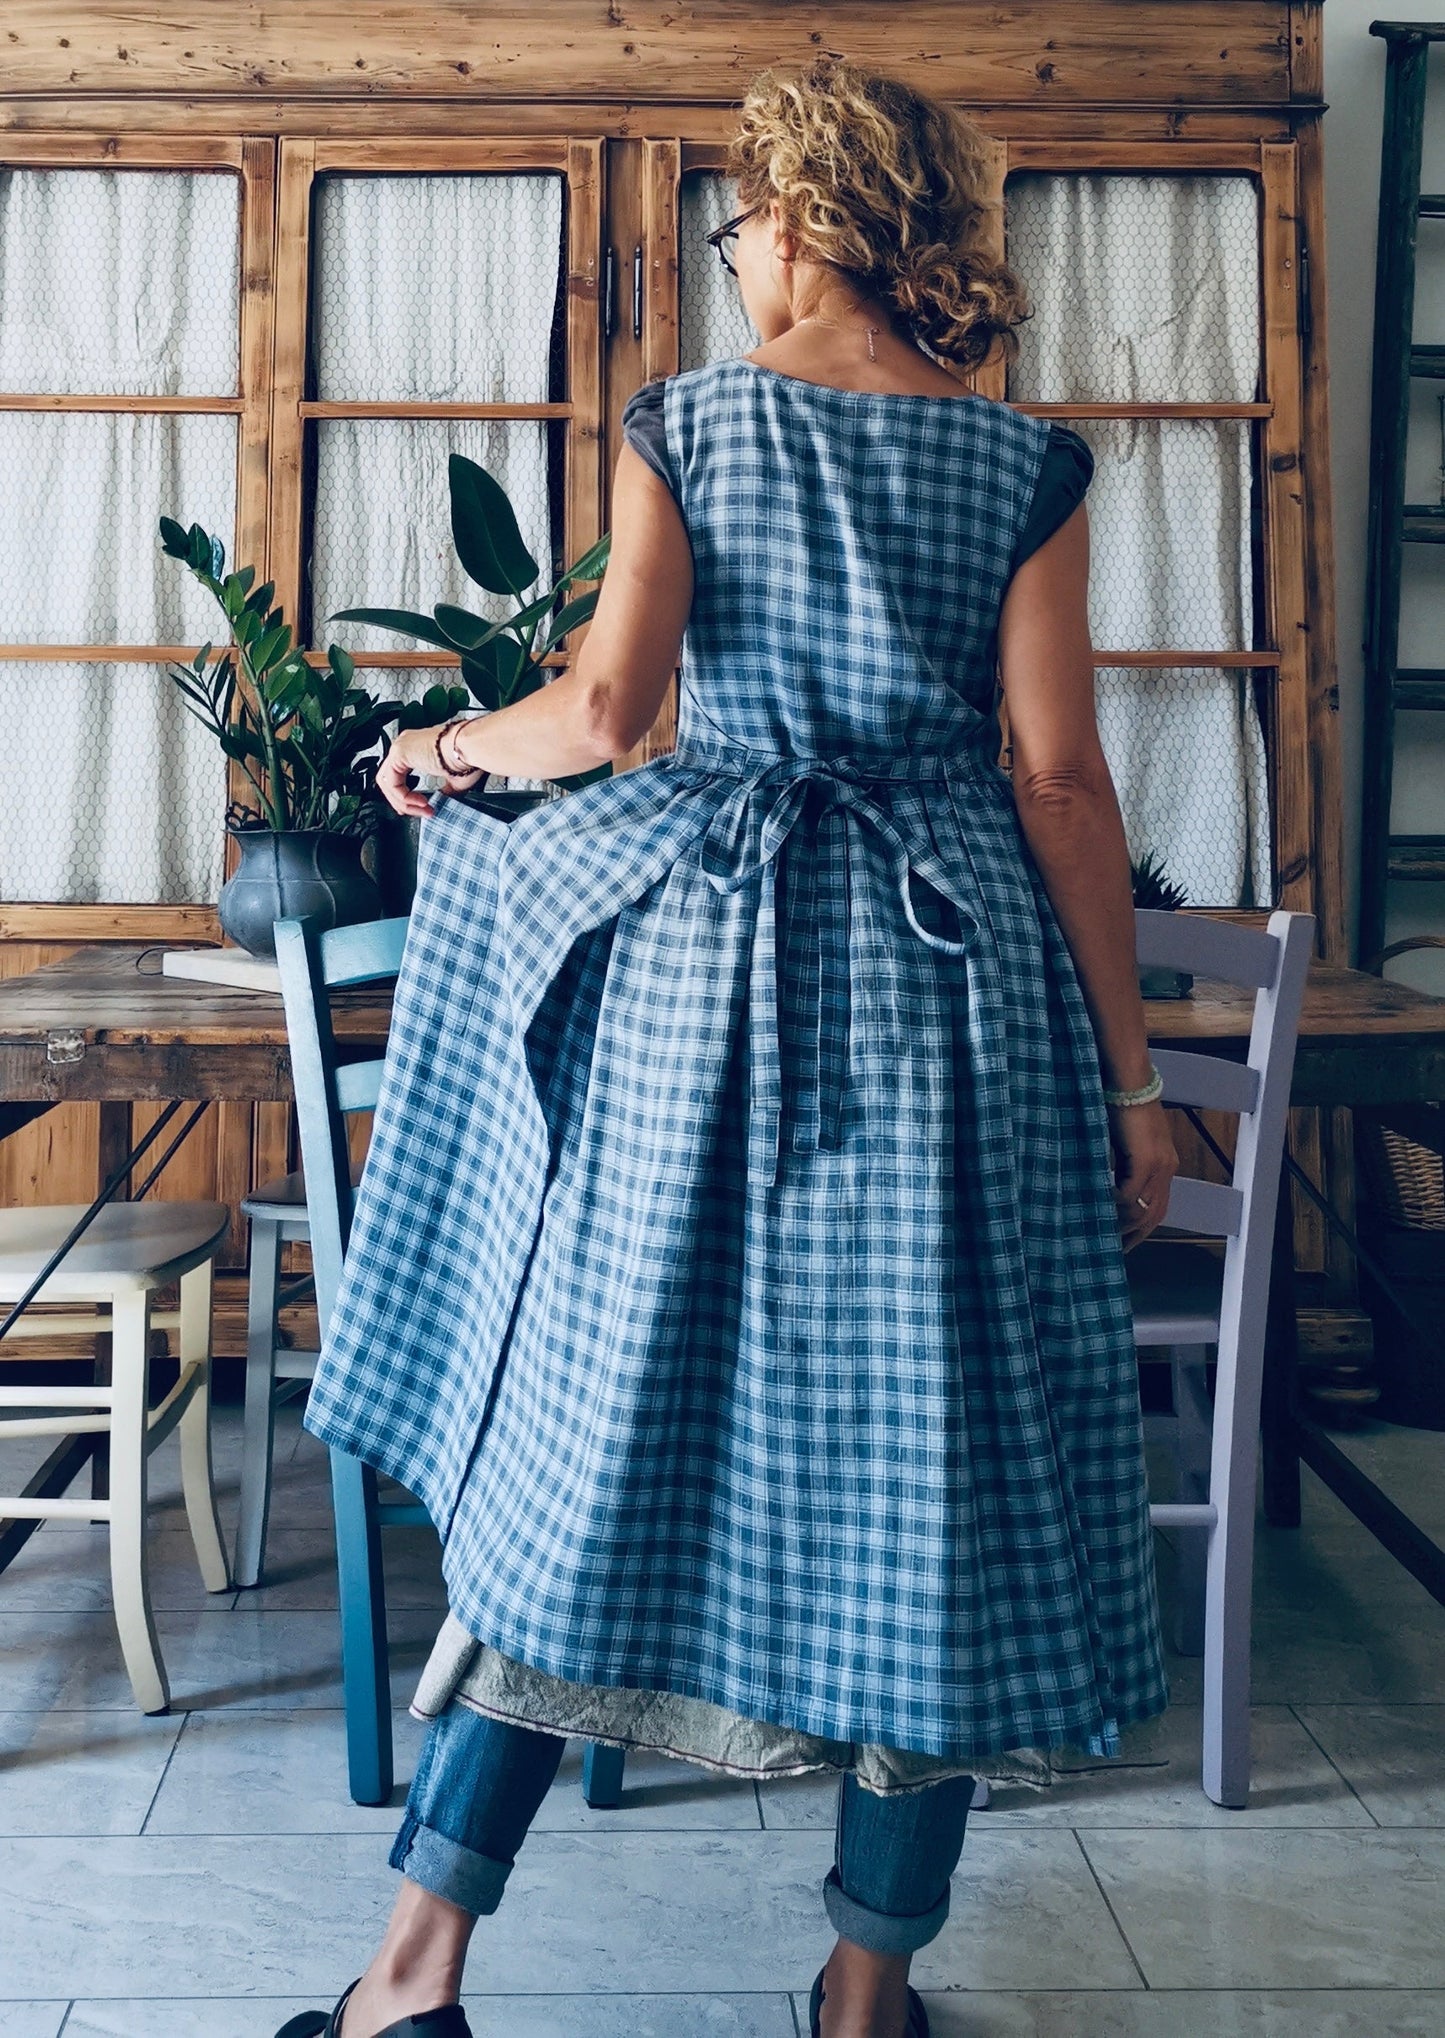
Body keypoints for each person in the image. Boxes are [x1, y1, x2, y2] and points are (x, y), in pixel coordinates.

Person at [279, 54, 1174, 2038]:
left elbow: (607, 715)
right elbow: (1057, 778)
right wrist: (1131, 1080)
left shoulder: (697, 420)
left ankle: (407, 1978)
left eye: (743, 212)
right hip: (959, 1008)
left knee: (591, 1444)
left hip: (715, 997)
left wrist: (426, 747)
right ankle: (863, 1998)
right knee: (941, 1471)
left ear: (810, 211)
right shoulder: (1022, 464)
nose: (736, 244)